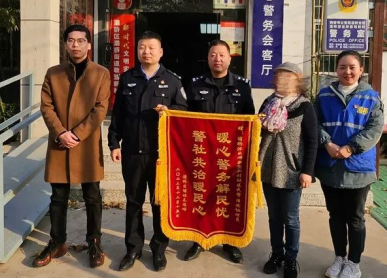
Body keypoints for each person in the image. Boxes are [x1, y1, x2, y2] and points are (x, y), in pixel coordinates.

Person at [108, 31, 187, 272]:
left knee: (159, 202)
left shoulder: (173, 80)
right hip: (132, 151)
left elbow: (184, 112)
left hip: (160, 155)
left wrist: (169, 111)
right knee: (133, 202)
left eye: (152, 47)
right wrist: (114, 143)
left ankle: (159, 249)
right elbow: (118, 114)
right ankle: (133, 248)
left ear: (161, 52)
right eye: (142, 47)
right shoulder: (127, 78)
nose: (146, 51)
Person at [33, 24, 110, 269]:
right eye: (71, 40)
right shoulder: (54, 73)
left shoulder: (101, 73)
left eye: (80, 40)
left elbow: (100, 108)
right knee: (58, 197)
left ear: (89, 44)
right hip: (59, 143)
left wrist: (76, 134)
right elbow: (46, 106)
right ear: (66, 44)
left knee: (92, 196)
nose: (75, 45)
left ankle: (94, 242)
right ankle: (57, 242)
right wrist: (60, 133)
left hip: (86, 145)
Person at [184, 39, 254, 264]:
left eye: (222, 55)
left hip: (230, 155)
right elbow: (184, 117)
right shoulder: (194, 84)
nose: (217, 59)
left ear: (229, 58)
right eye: (213, 54)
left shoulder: (242, 86)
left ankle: (230, 242)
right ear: (208, 58)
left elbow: (249, 119)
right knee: (201, 196)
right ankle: (198, 240)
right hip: (202, 153)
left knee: (228, 197)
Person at [315, 50, 384, 279]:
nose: (347, 72)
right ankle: (339, 258)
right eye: (342, 67)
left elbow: (374, 129)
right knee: (335, 216)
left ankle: (354, 263)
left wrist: (350, 148)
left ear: (361, 70)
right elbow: (315, 123)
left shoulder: (371, 98)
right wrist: (327, 143)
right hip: (330, 165)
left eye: (353, 67)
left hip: (358, 168)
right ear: (336, 70)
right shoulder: (324, 95)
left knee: (355, 218)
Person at [258, 62, 318, 279]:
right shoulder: (268, 103)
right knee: (274, 216)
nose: (282, 80)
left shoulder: (304, 106)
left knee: (290, 218)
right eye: (279, 76)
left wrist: (307, 171)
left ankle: (291, 258)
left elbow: (312, 141)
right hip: (267, 168)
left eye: (287, 76)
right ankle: (277, 254)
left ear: (297, 81)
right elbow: (256, 132)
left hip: (292, 170)